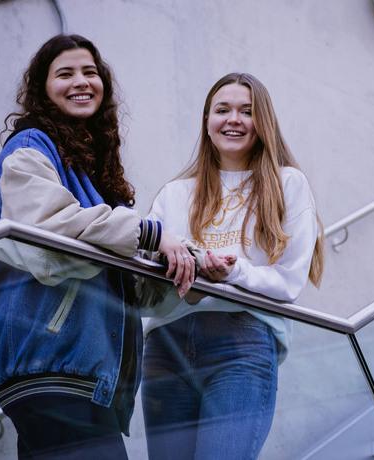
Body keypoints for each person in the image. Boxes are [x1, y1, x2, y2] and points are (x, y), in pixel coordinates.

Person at [0, 34, 195, 459]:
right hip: (52, 367)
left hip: (82, 377)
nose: (81, 81)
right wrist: (150, 234)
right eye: (65, 73)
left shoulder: (95, 180)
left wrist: (191, 268)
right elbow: (51, 231)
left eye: (90, 72)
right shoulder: (29, 148)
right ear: (42, 90)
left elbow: (126, 285)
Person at [140, 72, 325, 460]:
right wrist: (180, 264)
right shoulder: (175, 193)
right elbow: (144, 273)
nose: (234, 119)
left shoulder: (288, 183)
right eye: (222, 110)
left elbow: (290, 281)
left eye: (247, 111)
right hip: (166, 346)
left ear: (264, 123)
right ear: (207, 123)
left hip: (241, 344)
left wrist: (233, 272)